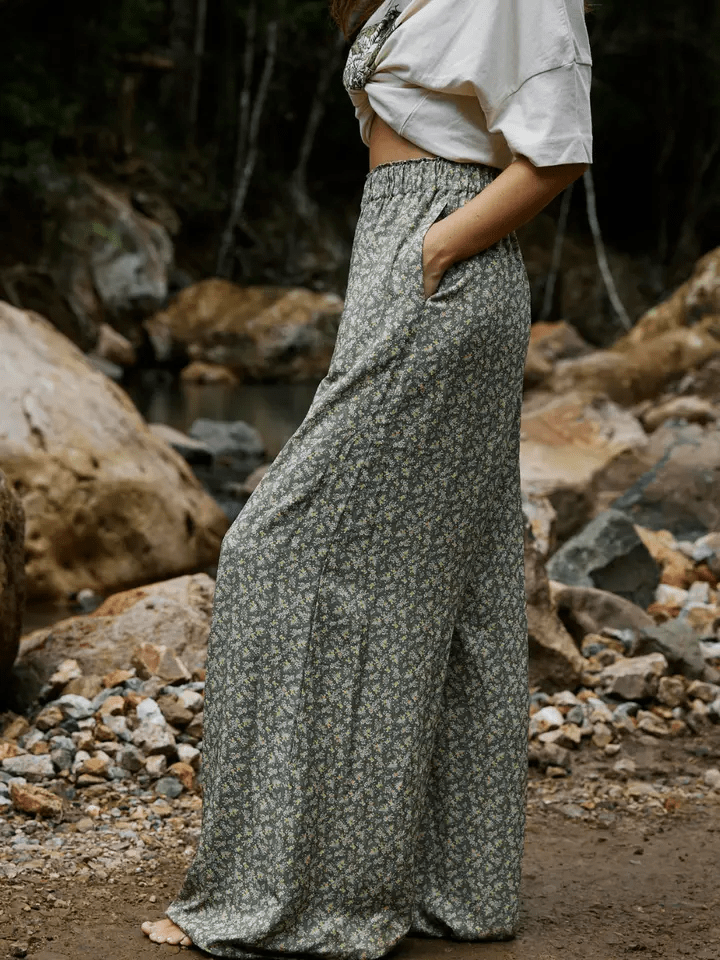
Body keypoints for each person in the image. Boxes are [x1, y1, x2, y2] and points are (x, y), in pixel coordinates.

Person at [141, 0, 592, 955]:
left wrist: (434, 246)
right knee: (459, 577)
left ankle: (280, 891)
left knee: (272, 551)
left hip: (444, 264)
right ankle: (450, 886)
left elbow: (554, 154)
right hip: (403, 255)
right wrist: (409, 252)